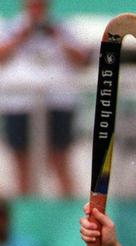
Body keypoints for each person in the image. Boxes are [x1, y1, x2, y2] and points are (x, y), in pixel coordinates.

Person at [0, 0, 89, 197]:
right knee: (22, 162)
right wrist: (21, 36)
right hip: (20, 103)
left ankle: (67, 213)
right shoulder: (9, 27)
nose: (36, 10)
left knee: (60, 159)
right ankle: (25, 211)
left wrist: (57, 36)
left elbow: (82, 60)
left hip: (58, 101)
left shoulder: (63, 28)